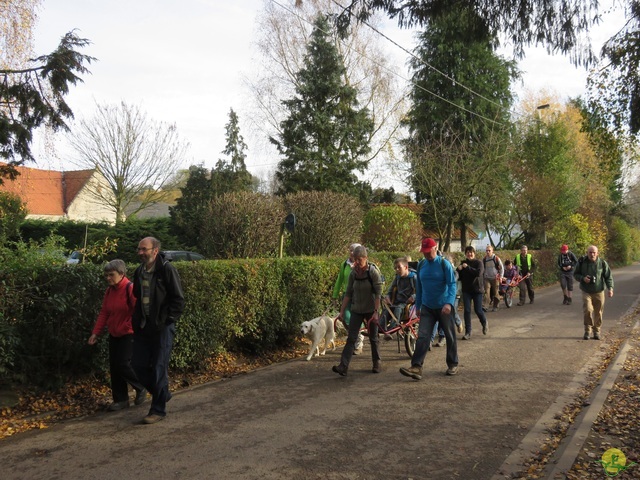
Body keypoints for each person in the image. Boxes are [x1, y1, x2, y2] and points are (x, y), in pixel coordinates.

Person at [131, 237, 185, 424]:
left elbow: (178, 299)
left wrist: (167, 320)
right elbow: (138, 297)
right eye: (139, 249)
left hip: (162, 328)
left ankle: (158, 410)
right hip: (144, 327)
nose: (140, 253)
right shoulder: (138, 271)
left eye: (144, 249)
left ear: (155, 251)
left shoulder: (166, 270)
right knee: (137, 365)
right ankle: (163, 392)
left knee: (158, 368)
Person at [88, 259, 147, 411]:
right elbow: (105, 313)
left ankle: (141, 386)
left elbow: (138, 311)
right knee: (114, 367)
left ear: (121, 274)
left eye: (111, 275)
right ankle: (121, 400)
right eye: (106, 275)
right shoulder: (110, 291)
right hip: (114, 333)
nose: (108, 278)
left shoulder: (130, 288)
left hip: (129, 333)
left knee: (123, 363)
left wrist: (129, 326)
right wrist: (96, 333)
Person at [399, 238, 458, 380]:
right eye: (423, 252)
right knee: (423, 337)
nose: (425, 254)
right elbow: (419, 287)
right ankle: (416, 367)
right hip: (427, 307)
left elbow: (452, 285)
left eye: (428, 251)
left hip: (444, 307)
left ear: (435, 248)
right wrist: (418, 306)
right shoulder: (421, 265)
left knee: (450, 336)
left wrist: (449, 303)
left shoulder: (444, 264)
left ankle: (452, 363)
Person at [332, 245, 384, 376]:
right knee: (351, 338)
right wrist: (342, 311)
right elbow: (348, 293)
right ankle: (343, 366)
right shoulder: (353, 274)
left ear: (365, 258)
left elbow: (378, 294)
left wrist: (376, 312)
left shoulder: (372, 272)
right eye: (355, 259)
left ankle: (376, 362)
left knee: (373, 338)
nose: (356, 262)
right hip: (356, 309)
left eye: (359, 259)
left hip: (371, 310)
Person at [573, 245, 614, 340]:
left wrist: (610, 288)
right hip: (586, 291)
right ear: (587, 253)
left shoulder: (602, 263)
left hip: (599, 291)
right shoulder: (581, 262)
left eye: (594, 252)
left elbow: (608, 276)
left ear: (597, 253)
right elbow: (575, 274)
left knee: (598, 312)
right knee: (587, 309)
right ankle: (587, 330)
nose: (592, 254)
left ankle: (597, 331)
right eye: (590, 252)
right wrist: (583, 278)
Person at [332, 243, 365, 354]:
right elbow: (339, 280)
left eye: (354, 250)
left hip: (359, 295)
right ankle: (354, 337)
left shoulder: (361, 264)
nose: (351, 252)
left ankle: (358, 343)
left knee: (357, 319)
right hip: (347, 295)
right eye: (350, 250)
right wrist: (335, 296)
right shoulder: (344, 264)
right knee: (345, 318)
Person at [380, 257, 416, 340]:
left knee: (398, 309)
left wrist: (413, 297)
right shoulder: (397, 277)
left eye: (399, 267)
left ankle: (392, 329)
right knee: (386, 310)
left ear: (406, 267)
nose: (396, 270)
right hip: (396, 301)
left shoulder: (414, 277)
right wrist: (387, 297)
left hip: (407, 303)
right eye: (395, 268)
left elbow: (420, 291)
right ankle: (380, 327)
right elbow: (390, 290)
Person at [458, 246, 488, 340]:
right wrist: (458, 269)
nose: (469, 254)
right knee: (467, 310)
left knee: (478, 310)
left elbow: (478, 273)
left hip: (477, 290)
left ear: (474, 253)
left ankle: (484, 322)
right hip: (466, 290)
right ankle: (468, 332)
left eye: (471, 252)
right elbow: (458, 276)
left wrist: (467, 267)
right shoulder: (463, 263)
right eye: (467, 252)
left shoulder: (479, 263)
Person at [483, 245, 504, 312]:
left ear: (492, 251)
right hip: (487, 278)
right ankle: (485, 306)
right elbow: (482, 269)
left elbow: (501, 268)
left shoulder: (496, 258)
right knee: (486, 292)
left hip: (495, 278)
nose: (488, 252)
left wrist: (501, 277)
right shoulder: (484, 259)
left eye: (489, 250)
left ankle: (495, 306)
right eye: (486, 250)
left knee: (495, 292)